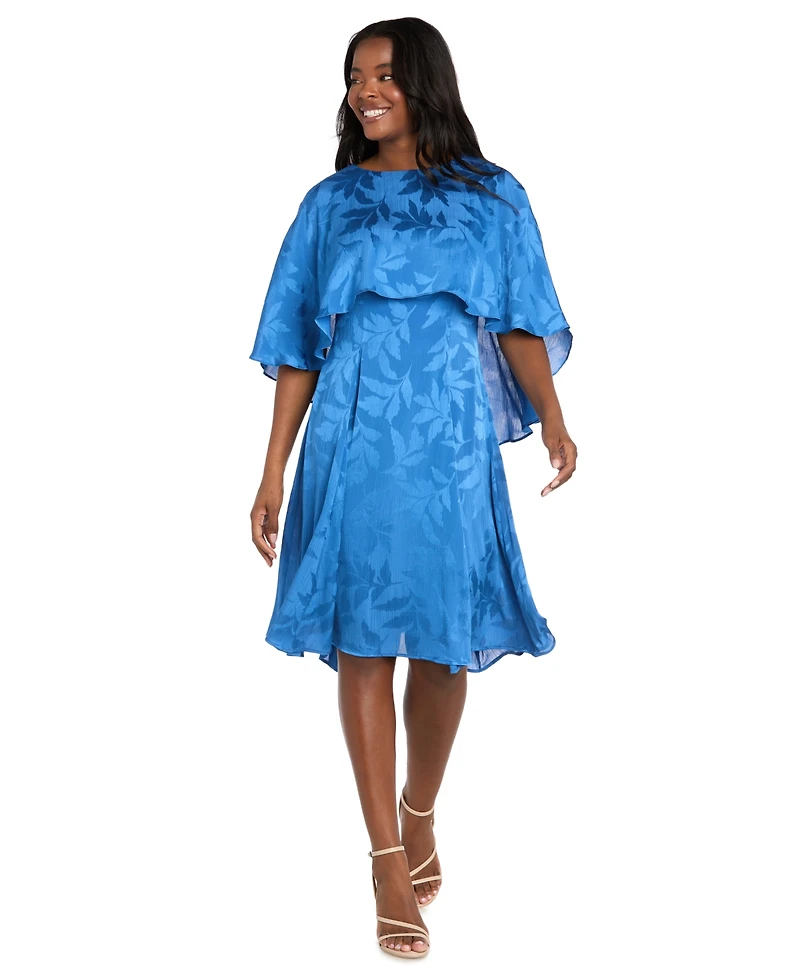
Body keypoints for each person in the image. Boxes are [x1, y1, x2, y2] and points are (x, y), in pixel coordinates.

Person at [248, 17, 578, 959]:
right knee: (362, 641)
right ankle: (386, 858)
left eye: (386, 74)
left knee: (441, 649)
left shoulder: (493, 196)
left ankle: (419, 807)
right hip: (352, 440)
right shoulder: (330, 205)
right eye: (356, 76)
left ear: (426, 82)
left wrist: (554, 417)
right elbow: (298, 343)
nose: (366, 90)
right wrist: (272, 466)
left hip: (449, 446)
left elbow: (519, 319)